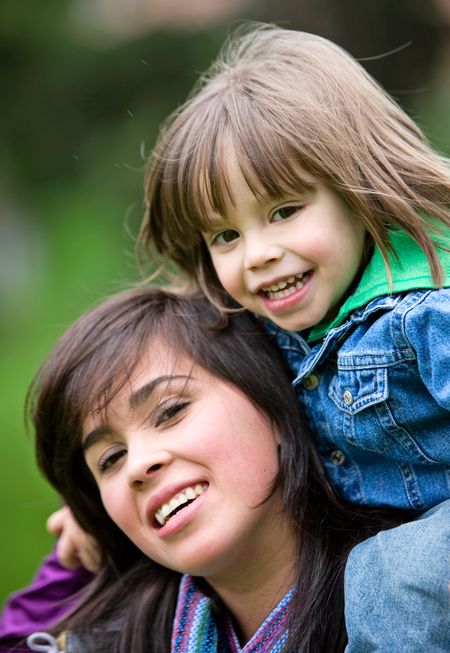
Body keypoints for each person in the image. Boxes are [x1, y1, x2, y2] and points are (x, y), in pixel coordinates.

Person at [135, 23, 450, 651]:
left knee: (389, 578)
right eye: (225, 235)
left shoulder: (423, 316)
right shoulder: (277, 322)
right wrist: (91, 525)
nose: (258, 255)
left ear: (357, 188)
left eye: (283, 212)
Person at [2, 286, 403, 653]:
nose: (139, 464)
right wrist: (73, 562)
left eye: (171, 410)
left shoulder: (415, 582)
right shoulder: (120, 637)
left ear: (273, 405)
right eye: (111, 459)